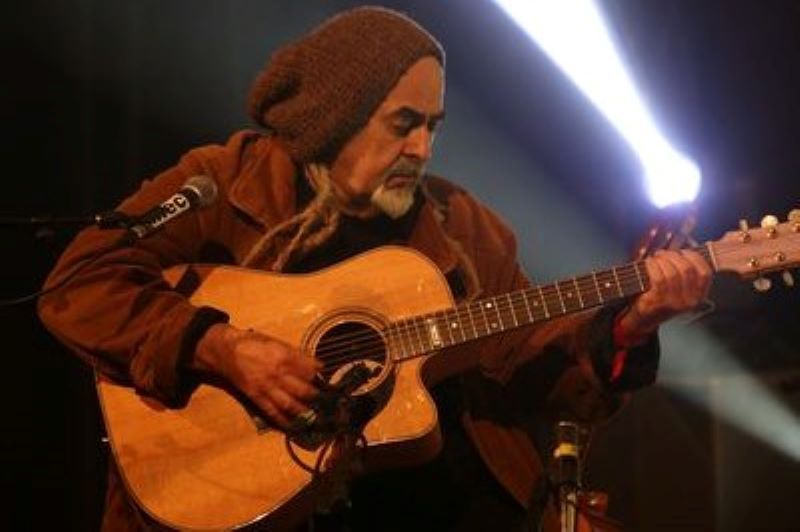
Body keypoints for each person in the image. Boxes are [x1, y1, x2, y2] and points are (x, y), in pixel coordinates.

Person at [38, 6, 711, 531]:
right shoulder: (224, 181)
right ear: (337, 118)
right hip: (242, 503)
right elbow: (80, 283)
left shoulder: (463, 226)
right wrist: (221, 347)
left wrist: (629, 326)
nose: (422, 147)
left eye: (434, 125)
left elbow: (540, 370)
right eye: (403, 123)